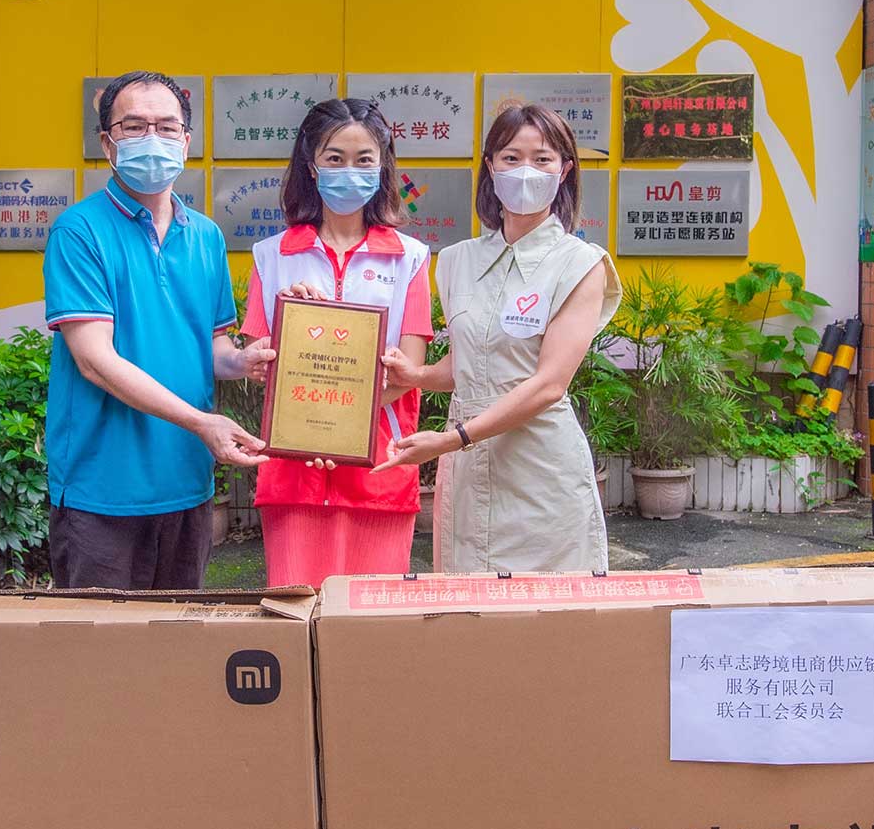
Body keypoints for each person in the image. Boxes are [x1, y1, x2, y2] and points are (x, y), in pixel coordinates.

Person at [42, 70, 273, 589]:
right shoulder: (78, 232)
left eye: (167, 127)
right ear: (108, 142)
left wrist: (243, 359)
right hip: (102, 490)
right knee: (101, 658)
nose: (153, 139)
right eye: (134, 126)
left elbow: (211, 346)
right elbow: (94, 360)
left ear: (186, 142)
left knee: (176, 654)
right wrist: (201, 422)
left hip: (186, 484)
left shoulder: (206, 236)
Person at [377, 102, 622, 574]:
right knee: (468, 619)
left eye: (543, 159)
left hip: (541, 468)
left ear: (565, 171)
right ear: (489, 167)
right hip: (470, 474)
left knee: (546, 620)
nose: (525, 170)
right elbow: (476, 360)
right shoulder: (455, 261)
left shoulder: (580, 263)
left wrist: (454, 439)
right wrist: (419, 374)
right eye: (510, 157)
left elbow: (550, 384)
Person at [240, 99, 434, 588]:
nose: (350, 171)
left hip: (379, 468)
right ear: (312, 166)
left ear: (383, 166)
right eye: (335, 158)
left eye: (364, 159)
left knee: (371, 631)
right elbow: (261, 362)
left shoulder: (411, 258)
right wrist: (287, 328)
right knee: (294, 615)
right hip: (292, 473)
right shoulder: (271, 257)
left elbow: (409, 369)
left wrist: (340, 429)